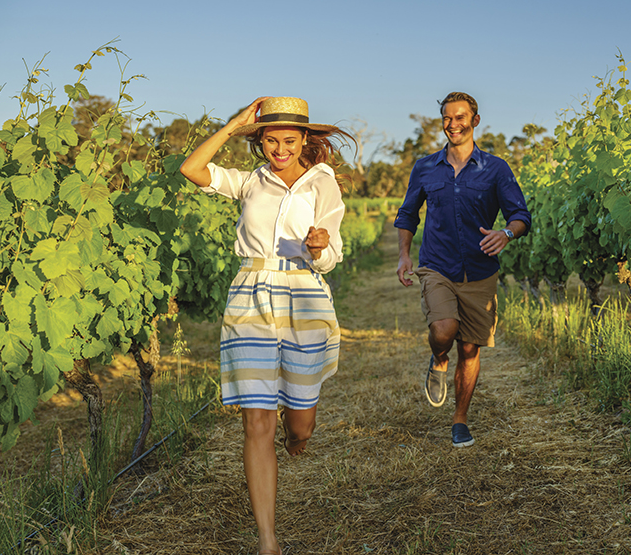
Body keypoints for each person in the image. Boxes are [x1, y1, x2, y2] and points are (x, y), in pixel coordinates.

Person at [180, 96, 353, 555]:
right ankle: (268, 541)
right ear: (261, 142)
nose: (280, 149)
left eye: (289, 141)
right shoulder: (248, 182)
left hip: (305, 296)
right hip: (251, 295)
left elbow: (332, 255)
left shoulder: (323, 184)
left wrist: (319, 247)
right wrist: (234, 126)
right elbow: (192, 169)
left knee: (300, 425)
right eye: (271, 140)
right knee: (257, 422)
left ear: (303, 141)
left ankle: (297, 442)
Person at [394, 91, 531, 448]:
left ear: (475, 121)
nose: (453, 125)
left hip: (480, 271)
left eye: (460, 118)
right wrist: (404, 255)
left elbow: (521, 216)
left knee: (470, 350)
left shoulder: (496, 168)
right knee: (443, 330)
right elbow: (408, 214)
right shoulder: (425, 167)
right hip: (437, 265)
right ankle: (439, 359)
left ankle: (460, 420)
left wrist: (505, 233)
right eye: (447, 118)